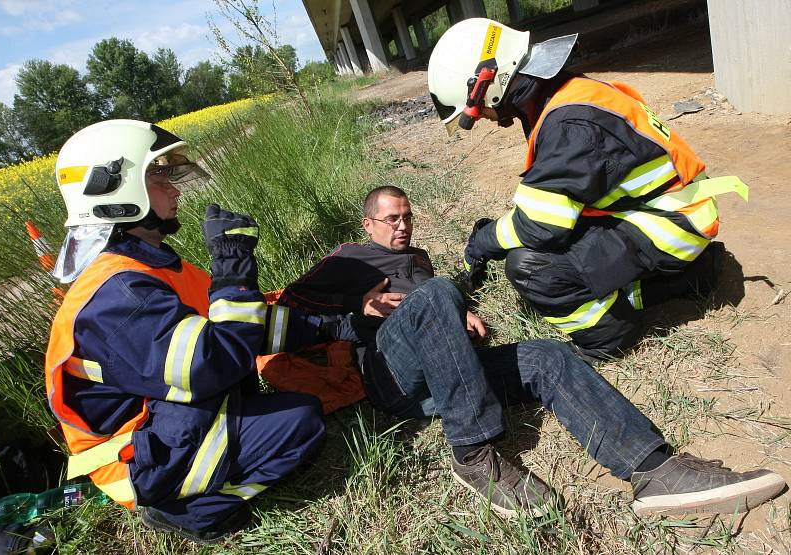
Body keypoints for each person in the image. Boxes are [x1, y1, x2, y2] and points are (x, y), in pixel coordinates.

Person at [279, 185, 785, 519]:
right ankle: (474, 453)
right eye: (390, 220)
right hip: (391, 376)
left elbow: (436, 303)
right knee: (436, 296)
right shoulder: (344, 261)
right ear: (367, 225)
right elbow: (287, 318)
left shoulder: (418, 260)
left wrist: (457, 313)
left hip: (446, 371)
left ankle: (654, 470)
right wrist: (356, 306)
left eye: (407, 217)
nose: (401, 226)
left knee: (546, 354)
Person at [44, 120, 326, 544]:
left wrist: (336, 323)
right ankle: (193, 511)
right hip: (136, 459)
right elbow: (211, 363)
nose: (175, 190)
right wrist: (232, 266)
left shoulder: (146, 266)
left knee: (288, 405)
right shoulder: (118, 294)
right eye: (158, 176)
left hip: (163, 424)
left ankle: (200, 480)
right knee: (301, 422)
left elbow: (238, 325)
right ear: (115, 189)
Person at [427, 18, 750, 359]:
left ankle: (609, 336)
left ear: (487, 85)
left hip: (670, 224)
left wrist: (483, 242)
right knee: (558, 244)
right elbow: (553, 203)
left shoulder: (570, 126)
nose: (484, 119)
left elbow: (539, 227)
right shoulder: (566, 96)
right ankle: (687, 279)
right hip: (671, 210)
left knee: (530, 266)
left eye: (478, 112)